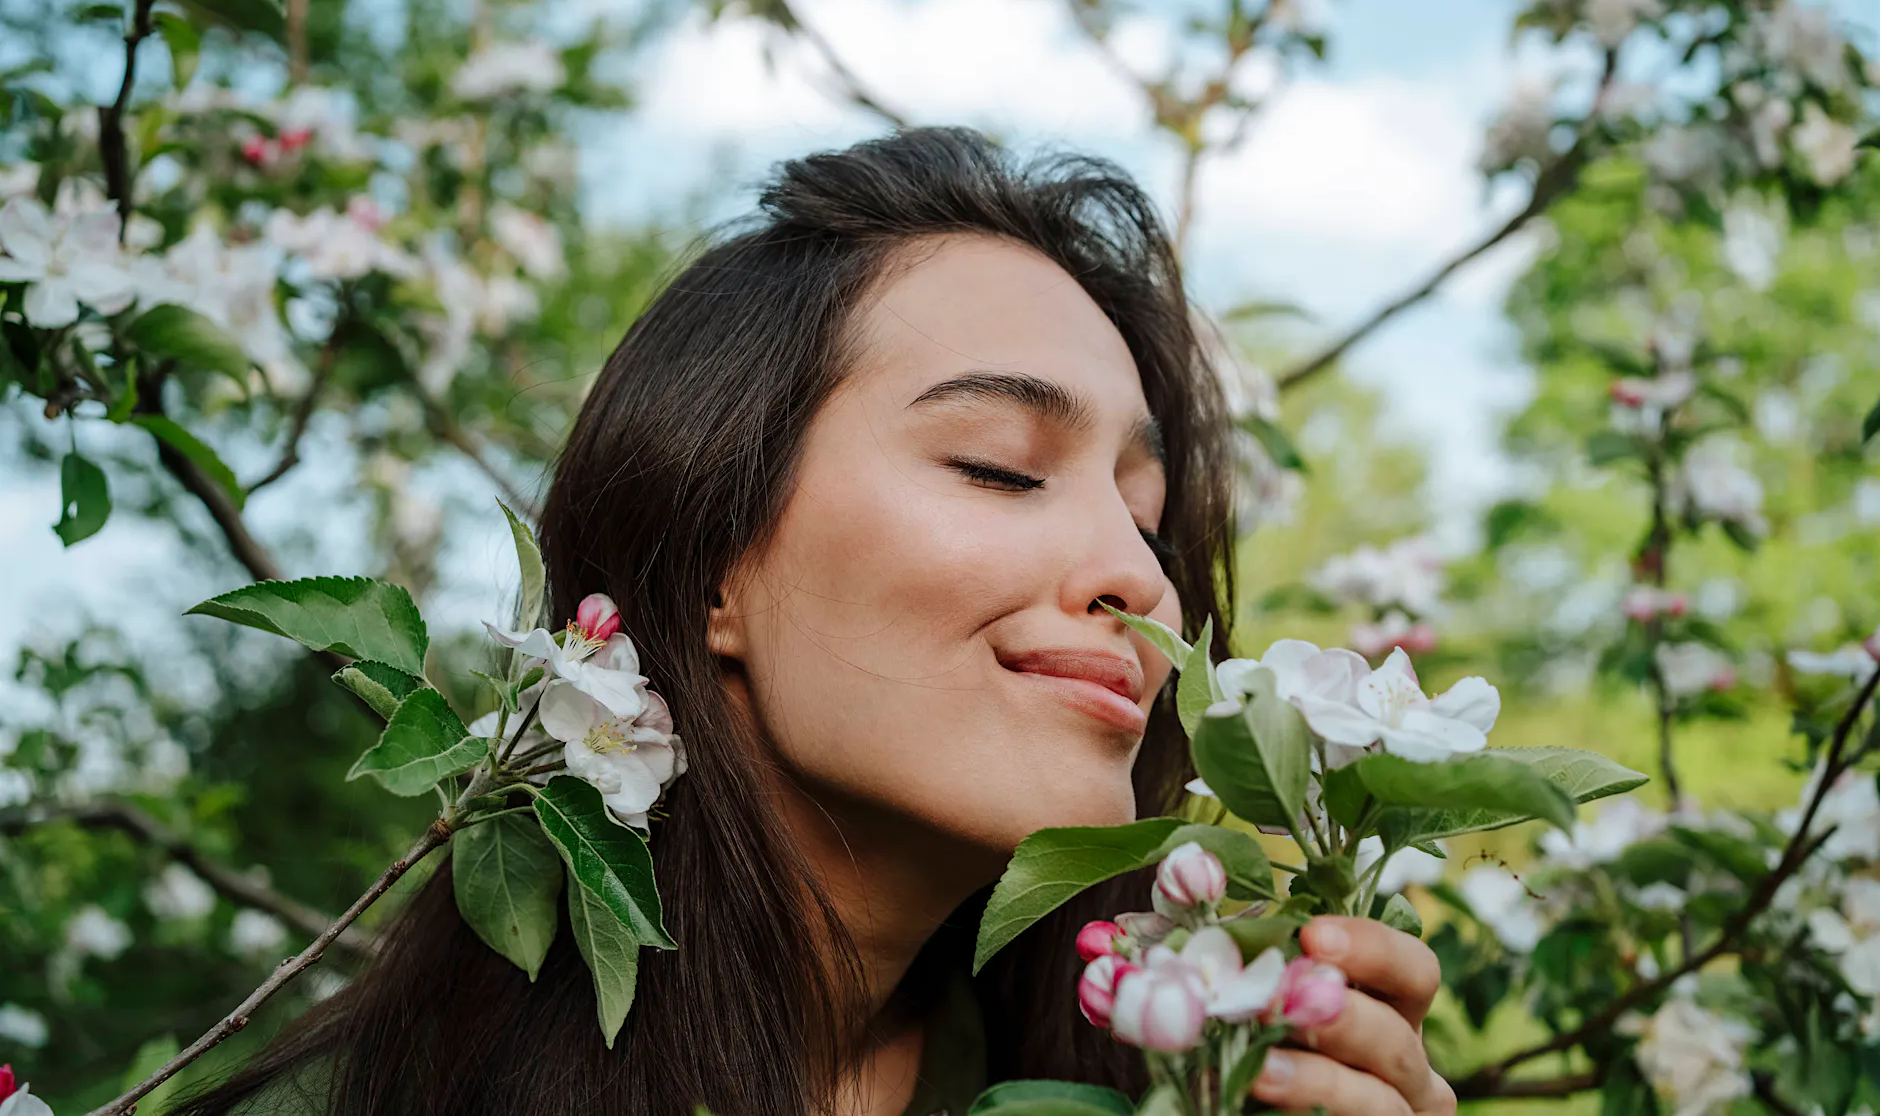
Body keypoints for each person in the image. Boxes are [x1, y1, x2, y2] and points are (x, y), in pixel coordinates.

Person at [174, 128, 1456, 1116]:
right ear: (710, 560)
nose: (1138, 579)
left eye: (1150, 523)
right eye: (1000, 466)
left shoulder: (1152, 1076)